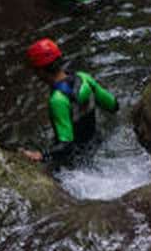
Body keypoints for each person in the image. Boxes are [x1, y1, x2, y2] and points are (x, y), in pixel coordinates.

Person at [20, 38, 119, 166]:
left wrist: (41, 155)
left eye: (35, 70)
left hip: (75, 163)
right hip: (96, 144)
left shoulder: (58, 100)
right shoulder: (84, 78)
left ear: (41, 71)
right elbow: (113, 105)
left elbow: (66, 146)